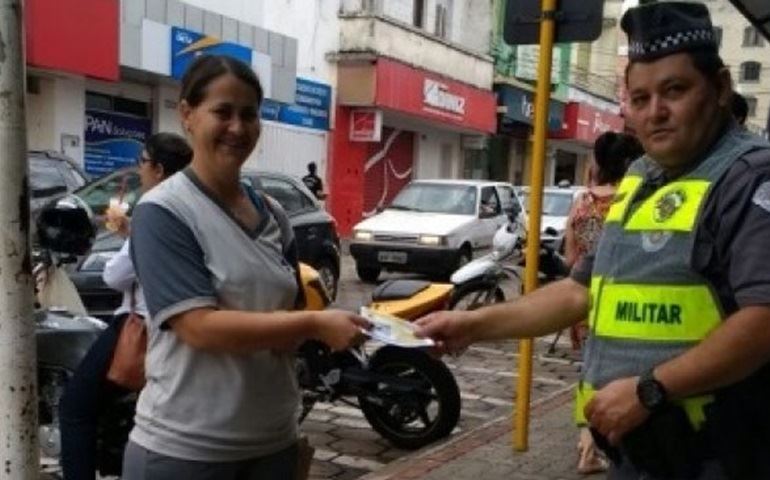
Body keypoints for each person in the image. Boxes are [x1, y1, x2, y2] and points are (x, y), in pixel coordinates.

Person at [416, 3, 770, 479]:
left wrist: (650, 390)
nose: (655, 113)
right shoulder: (644, 176)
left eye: (675, 90)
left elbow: (764, 320)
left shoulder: (748, 178)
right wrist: (473, 324)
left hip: (719, 455)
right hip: (643, 452)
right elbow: (580, 290)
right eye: (640, 99)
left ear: (721, 88)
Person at [122, 55, 368, 480]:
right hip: (186, 450)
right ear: (187, 115)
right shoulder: (164, 211)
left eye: (249, 115)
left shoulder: (274, 214)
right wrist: (313, 323)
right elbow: (199, 327)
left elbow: (287, 315)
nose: (238, 127)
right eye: (223, 112)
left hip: (272, 441)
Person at [59, 132, 193, 480]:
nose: (140, 169)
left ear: (159, 169)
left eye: (143, 162)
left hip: (141, 325)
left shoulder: (156, 209)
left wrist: (131, 237)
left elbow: (114, 277)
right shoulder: (190, 207)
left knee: (75, 408)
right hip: (181, 327)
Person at [562, 131, 643, 474]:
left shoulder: (581, 201)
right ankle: (599, 444)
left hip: (581, 302)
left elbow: (569, 257)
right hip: (620, 302)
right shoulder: (634, 198)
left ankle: (586, 443)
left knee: (588, 372)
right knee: (615, 376)